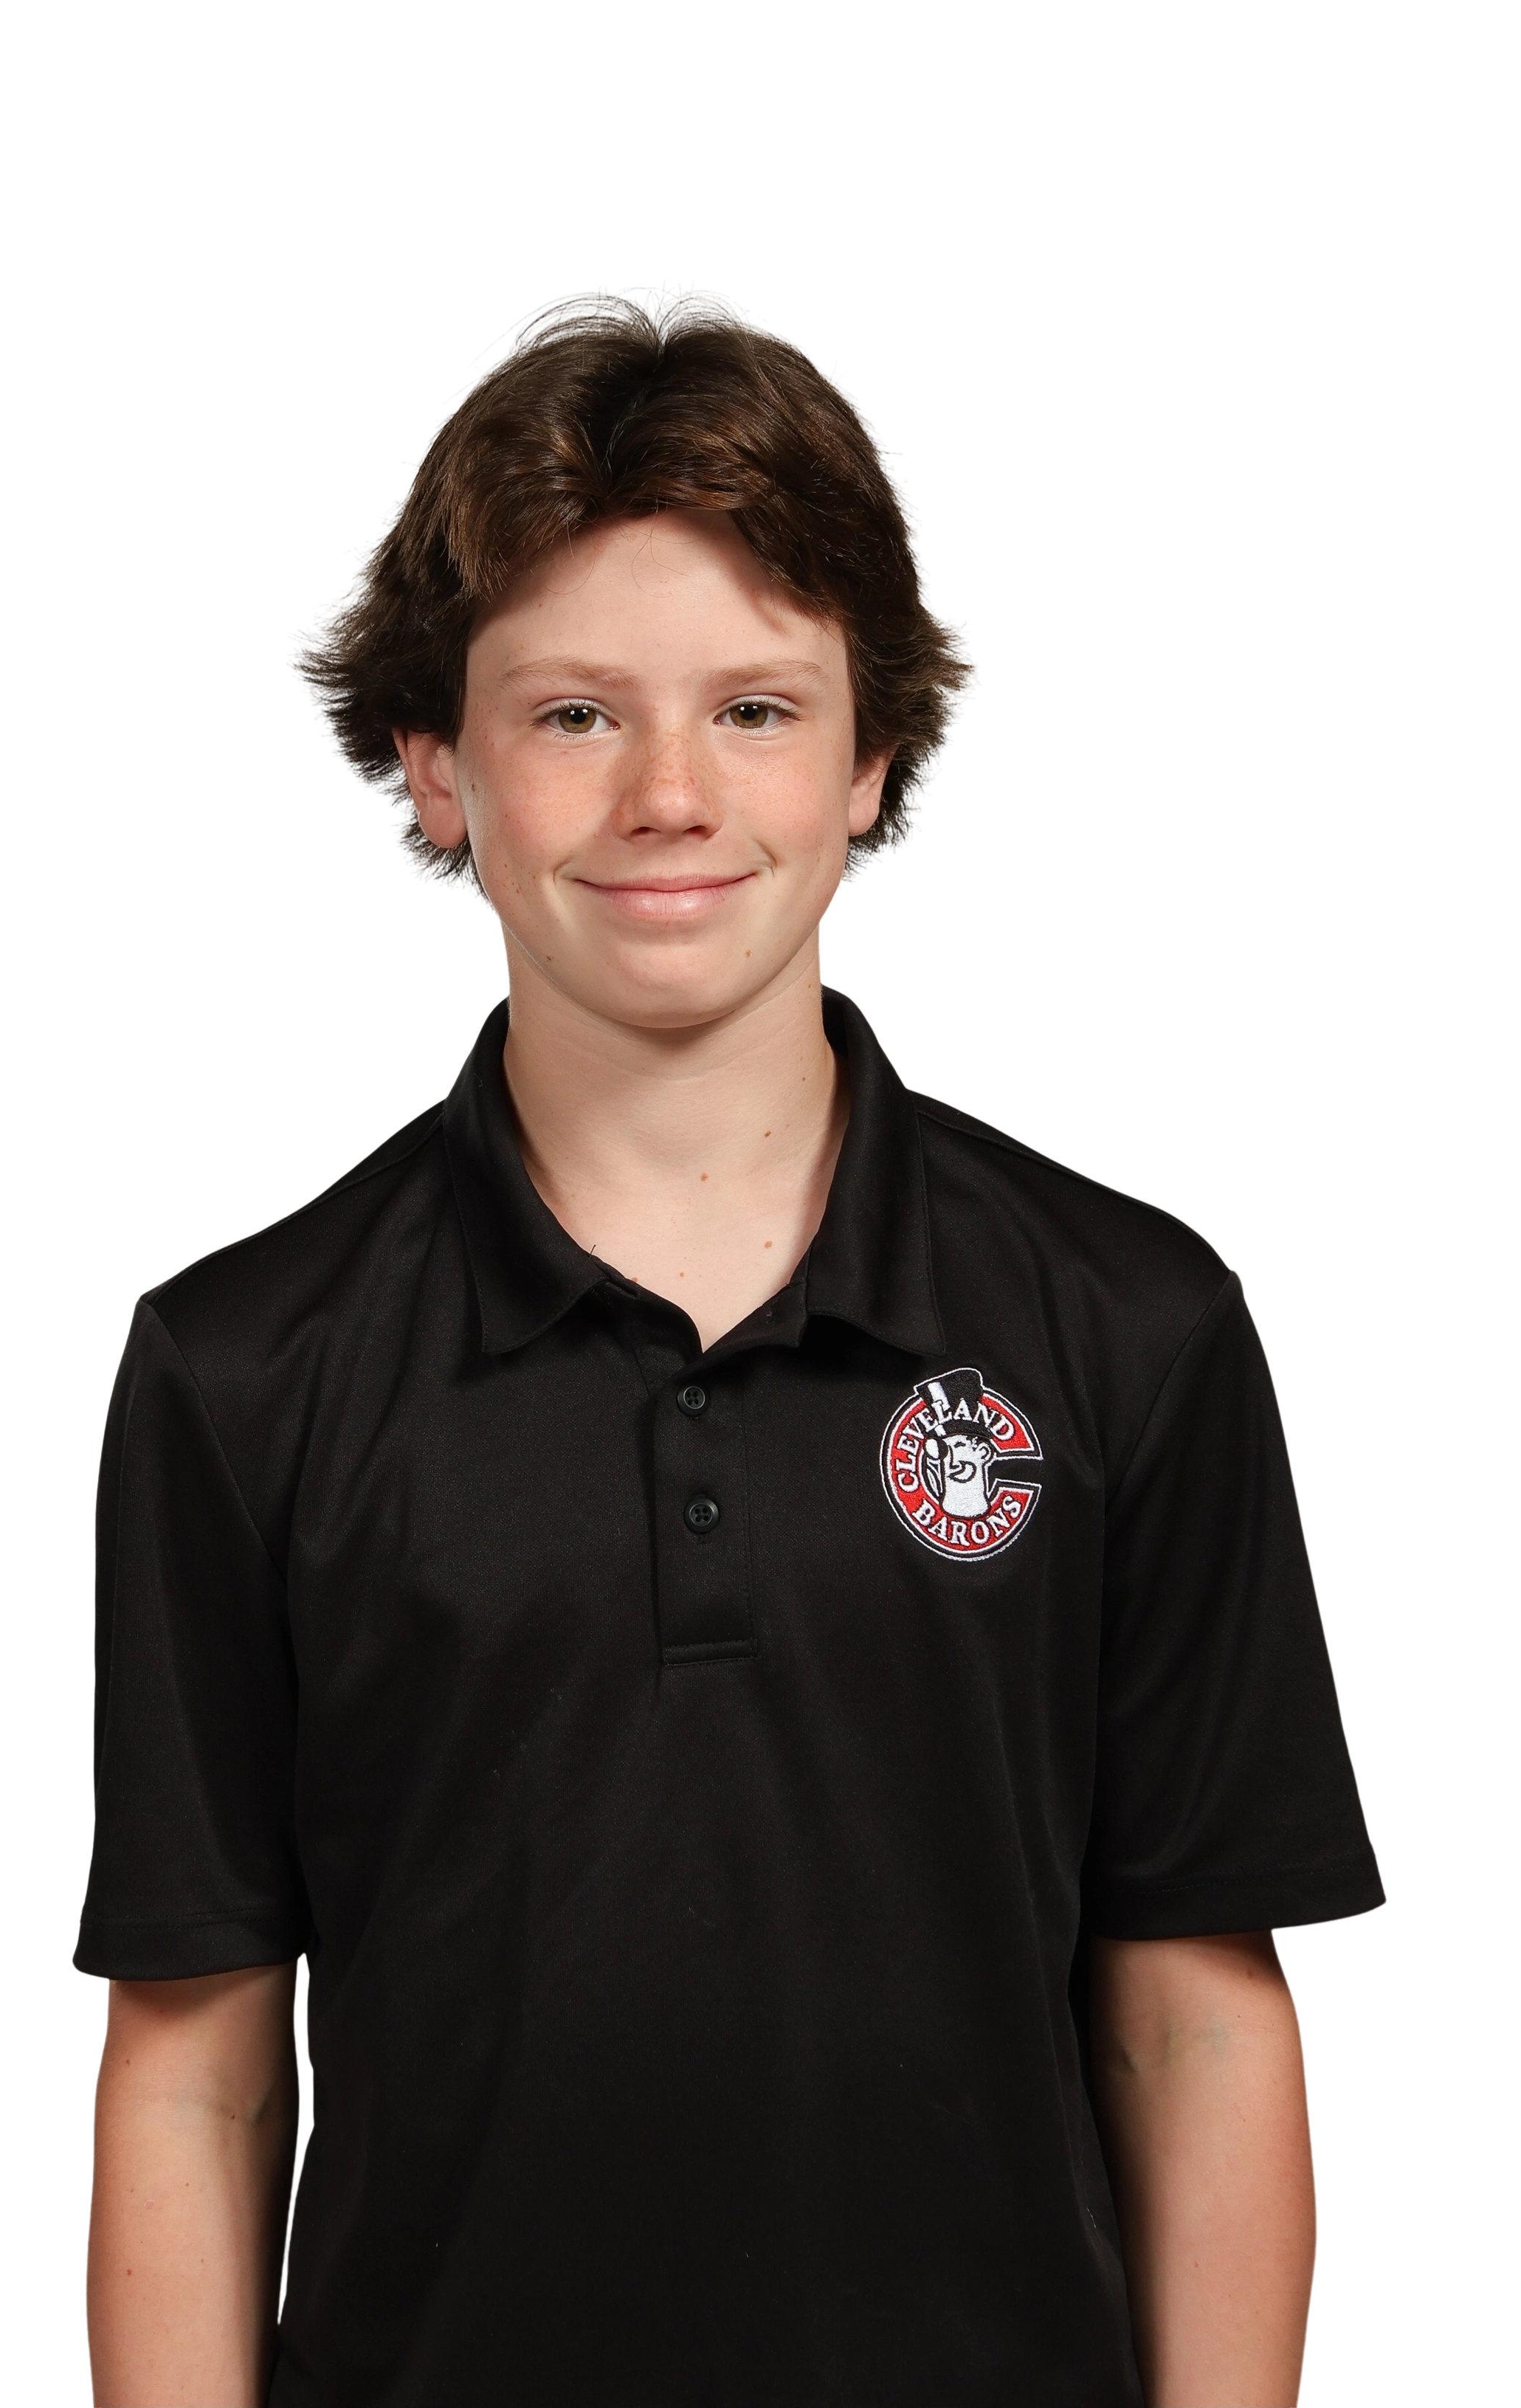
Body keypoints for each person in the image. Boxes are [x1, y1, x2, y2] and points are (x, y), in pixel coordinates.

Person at [73, 282, 1384, 2408]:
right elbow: (197, 2064)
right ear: (435, 767)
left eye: (756, 710)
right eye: (574, 716)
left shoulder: (1130, 1322)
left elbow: (1196, 2015)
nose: (671, 794)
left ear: (871, 759)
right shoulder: (241, 1372)